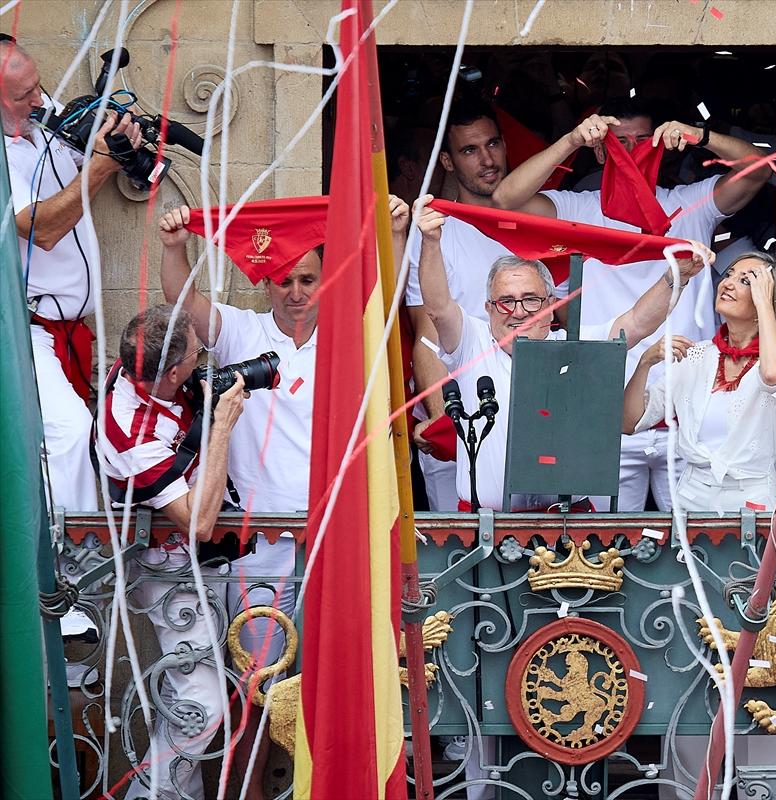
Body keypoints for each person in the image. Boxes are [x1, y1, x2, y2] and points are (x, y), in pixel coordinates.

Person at [156, 195, 410, 798]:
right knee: (255, 695)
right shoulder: (243, 329)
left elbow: (394, 301)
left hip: (332, 542)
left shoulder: (352, 334)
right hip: (258, 547)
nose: (297, 292)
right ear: (267, 283)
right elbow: (181, 303)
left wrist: (395, 234)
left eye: (308, 279)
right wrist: (174, 246)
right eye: (285, 281)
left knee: (337, 692)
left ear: (326, 280)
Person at [491, 97, 770, 511]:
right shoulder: (579, 208)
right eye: (620, 141)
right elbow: (505, 200)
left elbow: (759, 170)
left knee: (696, 543)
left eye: (643, 139)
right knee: (606, 546)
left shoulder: (689, 204)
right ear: (602, 149)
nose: (634, 149)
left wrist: (701, 136)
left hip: (686, 415)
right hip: (605, 410)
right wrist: (571, 140)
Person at [416, 197, 713, 511]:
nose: (518, 312)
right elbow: (437, 309)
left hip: (567, 524)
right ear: (489, 308)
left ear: (550, 307)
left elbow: (637, 322)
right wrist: (431, 241)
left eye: (530, 299)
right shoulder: (472, 342)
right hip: (489, 526)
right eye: (506, 300)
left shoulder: (575, 344)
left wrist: (675, 276)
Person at [96, 304, 246, 800]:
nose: (204, 358)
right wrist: (221, 424)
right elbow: (199, 522)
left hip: (202, 566)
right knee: (203, 709)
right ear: (175, 371)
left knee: (189, 696)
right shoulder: (128, 428)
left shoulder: (145, 369)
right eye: (197, 354)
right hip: (172, 572)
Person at [1, 40, 143, 512]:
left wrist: (124, 139)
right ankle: (71, 568)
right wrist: (102, 165)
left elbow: (90, 138)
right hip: (26, 332)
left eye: (38, 86)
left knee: (83, 439)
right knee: (70, 436)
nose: (40, 100)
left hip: (68, 331)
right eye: (24, 96)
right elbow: (41, 229)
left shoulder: (38, 116)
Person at [622, 252, 776, 512]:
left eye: (747, 281)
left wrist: (765, 303)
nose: (728, 283)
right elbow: (628, 423)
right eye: (729, 274)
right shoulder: (694, 355)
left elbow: (771, 376)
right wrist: (644, 363)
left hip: (754, 506)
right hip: (689, 503)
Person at [406, 97, 522, 511]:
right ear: (448, 162)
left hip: (525, 419)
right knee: (457, 555)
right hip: (457, 412)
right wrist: (444, 423)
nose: (487, 160)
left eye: (492, 144)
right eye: (470, 150)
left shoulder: (538, 223)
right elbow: (427, 336)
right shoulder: (435, 233)